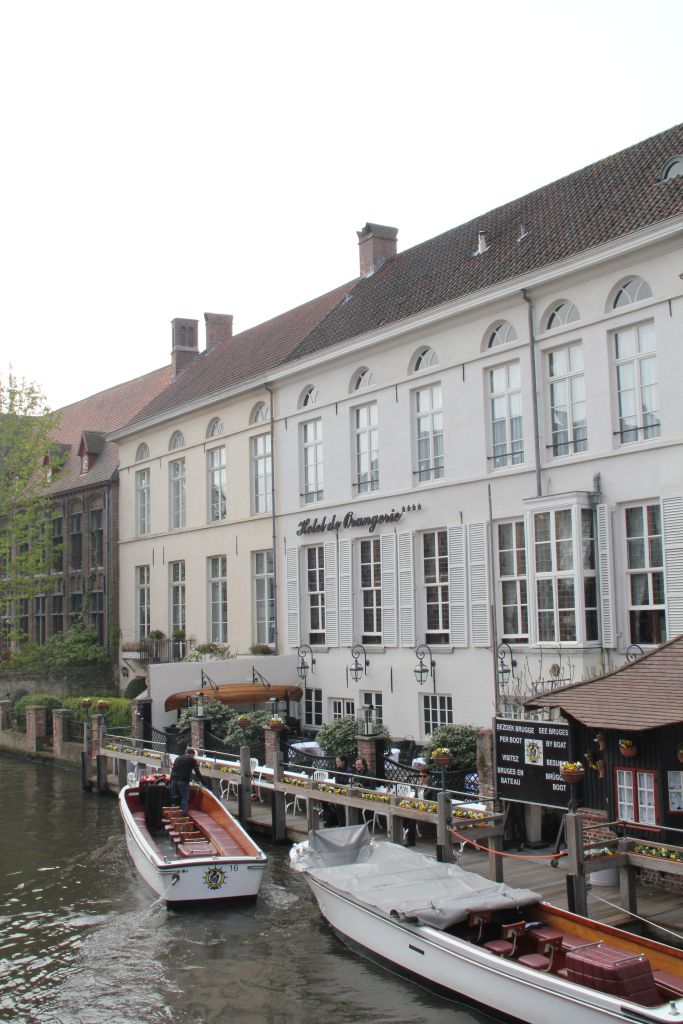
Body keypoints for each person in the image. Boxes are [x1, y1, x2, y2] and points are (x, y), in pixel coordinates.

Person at [404, 767, 437, 847]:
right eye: (420, 776)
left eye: (424, 776)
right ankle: (410, 837)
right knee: (404, 814)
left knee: (411, 817)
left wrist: (424, 806)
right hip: (419, 807)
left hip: (428, 808)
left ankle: (411, 840)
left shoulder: (432, 786)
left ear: (429, 776)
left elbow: (434, 801)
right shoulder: (419, 785)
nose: (422, 778)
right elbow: (415, 798)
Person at [170, 746, 204, 814]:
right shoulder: (192, 760)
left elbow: (173, 768)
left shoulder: (177, 758)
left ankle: (173, 813)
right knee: (184, 798)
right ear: (192, 754)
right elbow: (197, 772)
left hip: (173, 780)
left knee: (175, 797)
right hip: (183, 780)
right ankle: (183, 814)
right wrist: (203, 781)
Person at [322, 755, 350, 828]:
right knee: (324, 799)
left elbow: (345, 782)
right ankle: (332, 820)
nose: (337, 763)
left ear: (343, 762)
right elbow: (337, 782)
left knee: (338, 803)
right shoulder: (338, 770)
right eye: (336, 761)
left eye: (338, 761)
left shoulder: (348, 770)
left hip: (344, 791)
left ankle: (341, 823)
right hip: (337, 790)